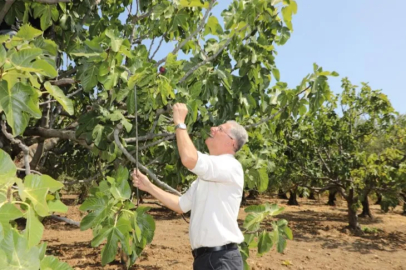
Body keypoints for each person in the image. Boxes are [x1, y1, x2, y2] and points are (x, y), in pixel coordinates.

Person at [132, 103, 248, 270]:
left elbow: (188, 159)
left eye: (220, 129)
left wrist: (180, 122)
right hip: (205, 259)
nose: (213, 128)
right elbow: (181, 205)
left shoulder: (230, 166)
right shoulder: (206, 177)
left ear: (232, 142)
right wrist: (149, 186)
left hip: (221, 260)